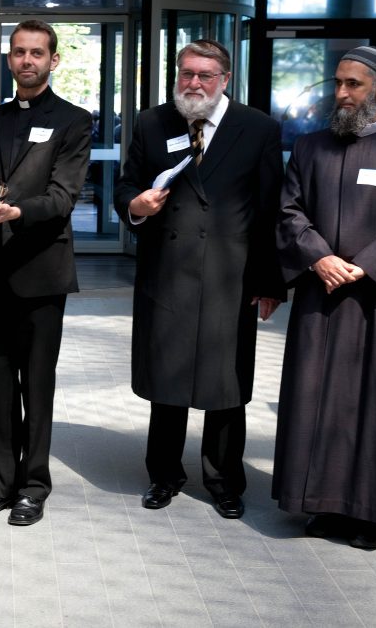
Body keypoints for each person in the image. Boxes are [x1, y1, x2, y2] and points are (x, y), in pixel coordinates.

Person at [274, 46, 376, 549]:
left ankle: (371, 514)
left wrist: (363, 266)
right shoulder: (310, 147)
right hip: (321, 296)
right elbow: (288, 211)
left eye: (354, 85)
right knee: (316, 401)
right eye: (339, 84)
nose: (342, 94)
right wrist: (319, 257)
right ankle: (321, 505)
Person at [113, 38, 284, 520]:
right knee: (167, 380)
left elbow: (270, 208)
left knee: (225, 385)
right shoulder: (153, 121)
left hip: (231, 276)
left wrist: (270, 281)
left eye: (204, 76)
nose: (193, 83)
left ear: (225, 79)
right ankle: (163, 475)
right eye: (187, 73)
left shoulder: (258, 128)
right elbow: (127, 184)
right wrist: (135, 205)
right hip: (167, 275)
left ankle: (224, 481)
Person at [0, 19, 91, 527]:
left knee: (36, 384)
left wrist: (15, 212)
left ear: (53, 60)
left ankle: (33, 486)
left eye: (36, 53)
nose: (26, 60)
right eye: (18, 52)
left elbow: (63, 195)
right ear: (8, 60)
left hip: (40, 271)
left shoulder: (74, 121)